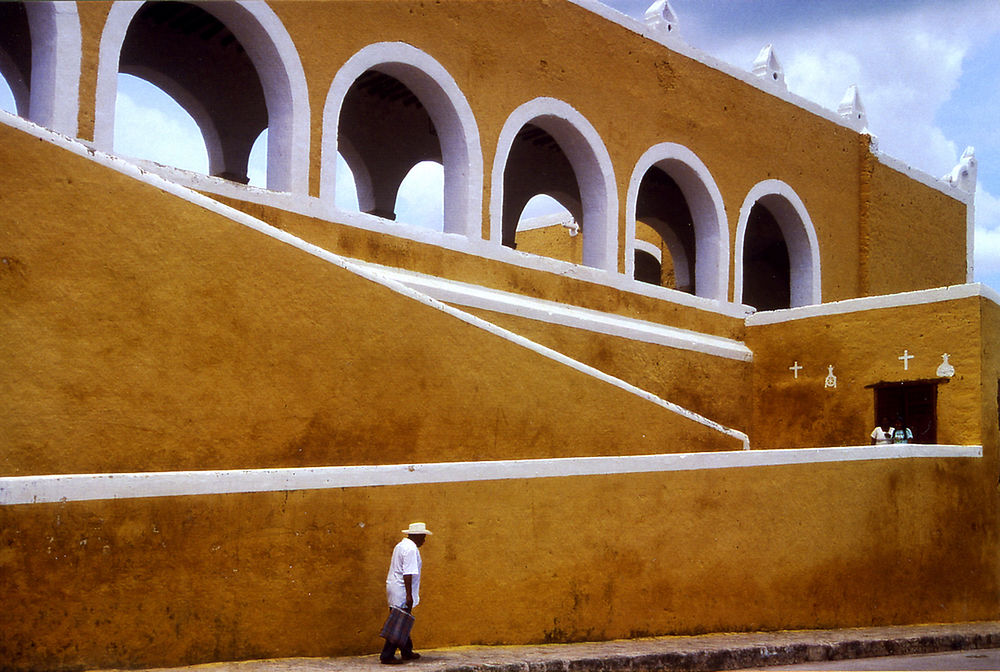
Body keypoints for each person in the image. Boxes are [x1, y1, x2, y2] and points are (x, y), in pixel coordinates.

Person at [380, 522, 432, 665]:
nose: (424, 540)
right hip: (402, 590)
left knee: (402, 619)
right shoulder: (411, 549)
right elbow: (408, 573)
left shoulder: (401, 545)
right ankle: (387, 654)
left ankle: (406, 651)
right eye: (423, 537)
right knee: (399, 623)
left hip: (394, 587)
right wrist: (409, 595)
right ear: (417, 536)